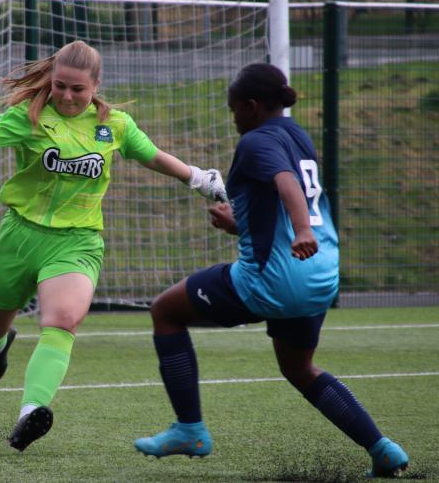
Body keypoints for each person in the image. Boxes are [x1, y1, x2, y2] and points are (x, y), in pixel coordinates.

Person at [0, 40, 227, 452]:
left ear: (96, 85)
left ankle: (29, 412)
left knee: (63, 320)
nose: (68, 96)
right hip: (19, 237)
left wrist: (198, 178)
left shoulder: (115, 125)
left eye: (78, 89)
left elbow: (153, 156)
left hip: (77, 242)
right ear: (51, 82)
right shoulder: (29, 117)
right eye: (60, 86)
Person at [132, 63, 410, 478]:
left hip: (277, 276)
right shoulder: (297, 134)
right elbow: (284, 198)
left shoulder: (256, 141)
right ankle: (382, 449)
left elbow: (286, 185)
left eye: (233, 110)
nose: (233, 119)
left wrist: (300, 231)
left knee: (166, 311)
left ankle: (189, 429)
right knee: (299, 368)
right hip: (319, 274)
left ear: (251, 106)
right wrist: (240, 225)